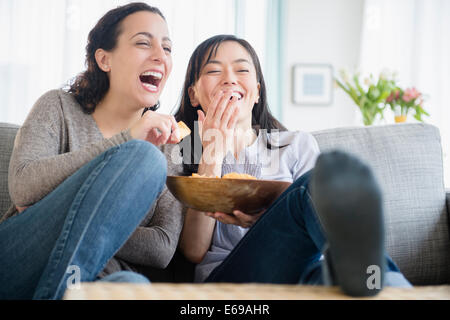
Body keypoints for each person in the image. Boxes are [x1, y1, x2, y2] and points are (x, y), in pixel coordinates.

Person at [173, 34, 412, 296]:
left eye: (242, 69)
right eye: (214, 70)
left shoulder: (295, 145)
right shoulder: (182, 150)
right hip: (229, 278)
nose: (230, 78)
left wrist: (266, 217)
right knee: (310, 187)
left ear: (256, 91)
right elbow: (194, 251)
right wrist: (212, 153)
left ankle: (383, 284)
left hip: (300, 272)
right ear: (194, 94)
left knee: (331, 275)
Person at [0, 2, 185, 300]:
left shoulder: (171, 144)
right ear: (104, 59)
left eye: (167, 48)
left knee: (133, 289)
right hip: (19, 262)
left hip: (99, 279)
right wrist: (127, 140)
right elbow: (24, 187)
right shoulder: (57, 107)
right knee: (144, 157)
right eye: (142, 43)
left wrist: (65, 209)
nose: (159, 56)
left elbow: (162, 247)